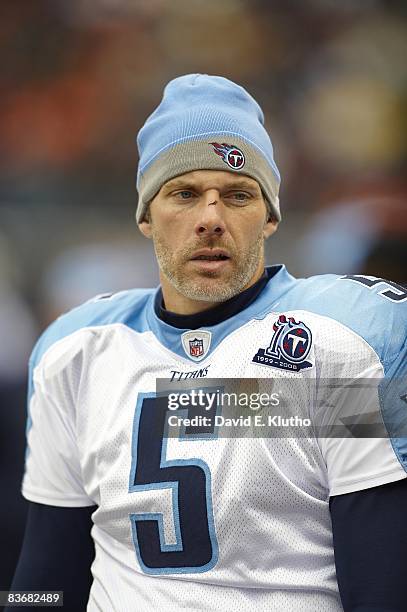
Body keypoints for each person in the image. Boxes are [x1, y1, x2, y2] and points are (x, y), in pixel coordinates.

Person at [9, 74, 407, 612]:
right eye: (185, 194)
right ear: (146, 216)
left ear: (269, 217)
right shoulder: (75, 353)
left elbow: (382, 584)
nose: (211, 219)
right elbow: (43, 580)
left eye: (238, 195)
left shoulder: (341, 341)